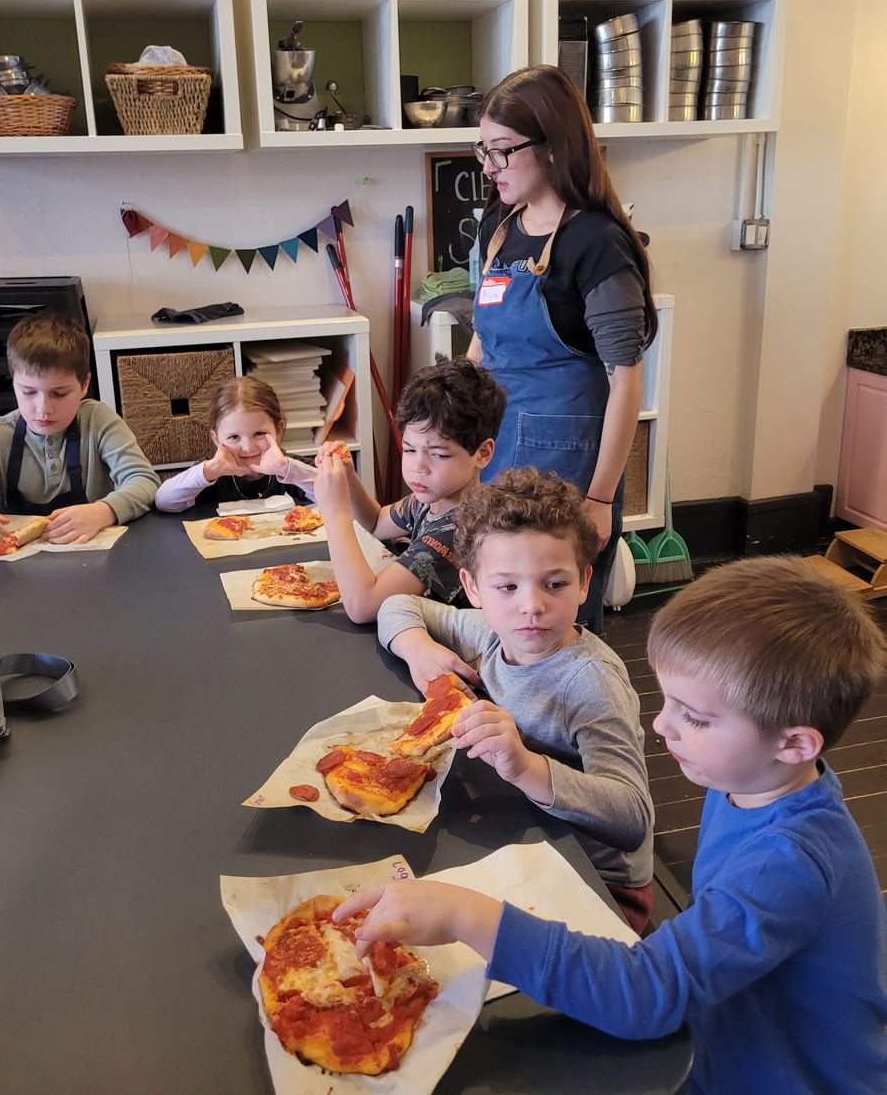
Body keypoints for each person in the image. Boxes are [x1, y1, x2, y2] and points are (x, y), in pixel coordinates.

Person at [339, 556, 887, 1095]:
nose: (661, 723)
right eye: (668, 700)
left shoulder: (788, 862)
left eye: (694, 717)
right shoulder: (754, 779)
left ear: (794, 743)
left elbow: (646, 994)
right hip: (727, 1027)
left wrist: (465, 914)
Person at [377, 467, 653, 932]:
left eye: (555, 583)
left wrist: (525, 766)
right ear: (473, 588)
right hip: (522, 836)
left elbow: (631, 818)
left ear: (585, 582)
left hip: (599, 884)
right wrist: (419, 650)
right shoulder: (489, 633)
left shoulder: (590, 682)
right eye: (507, 586)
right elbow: (398, 605)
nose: (531, 605)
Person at [468, 63, 659, 636]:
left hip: (570, 466)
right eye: (482, 151)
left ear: (553, 146)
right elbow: (484, 335)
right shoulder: (499, 225)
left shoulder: (596, 243)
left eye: (501, 151)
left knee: (556, 619)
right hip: (495, 448)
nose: (488, 167)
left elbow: (626, 380)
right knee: (503, 604)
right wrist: (452, 419)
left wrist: (599, 500)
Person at [0, 313, 158, 544]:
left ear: (84, 385)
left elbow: (145, 482)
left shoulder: (99, 421)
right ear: (14, 384)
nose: (43, 408)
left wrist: (104, 511)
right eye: (29, 392)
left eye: (59, 394)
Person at [314, 356, 505, 624]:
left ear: (482, 454)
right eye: (410, 449)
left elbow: (363, 607)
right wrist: (348, 475)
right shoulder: (433, 500)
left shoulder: (461, 531)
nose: (418, 467)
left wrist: (334, 510)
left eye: (438, 454)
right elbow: (377, 522)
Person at [155, 375, 328, 512]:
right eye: (234, 437)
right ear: (216, 439)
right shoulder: (212, 473)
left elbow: (334, 497)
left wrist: (286, 469)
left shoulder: (292, 469)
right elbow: (164, 501)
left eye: (259, 434)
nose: (248, 447)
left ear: (279, 430)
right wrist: (210, 470)